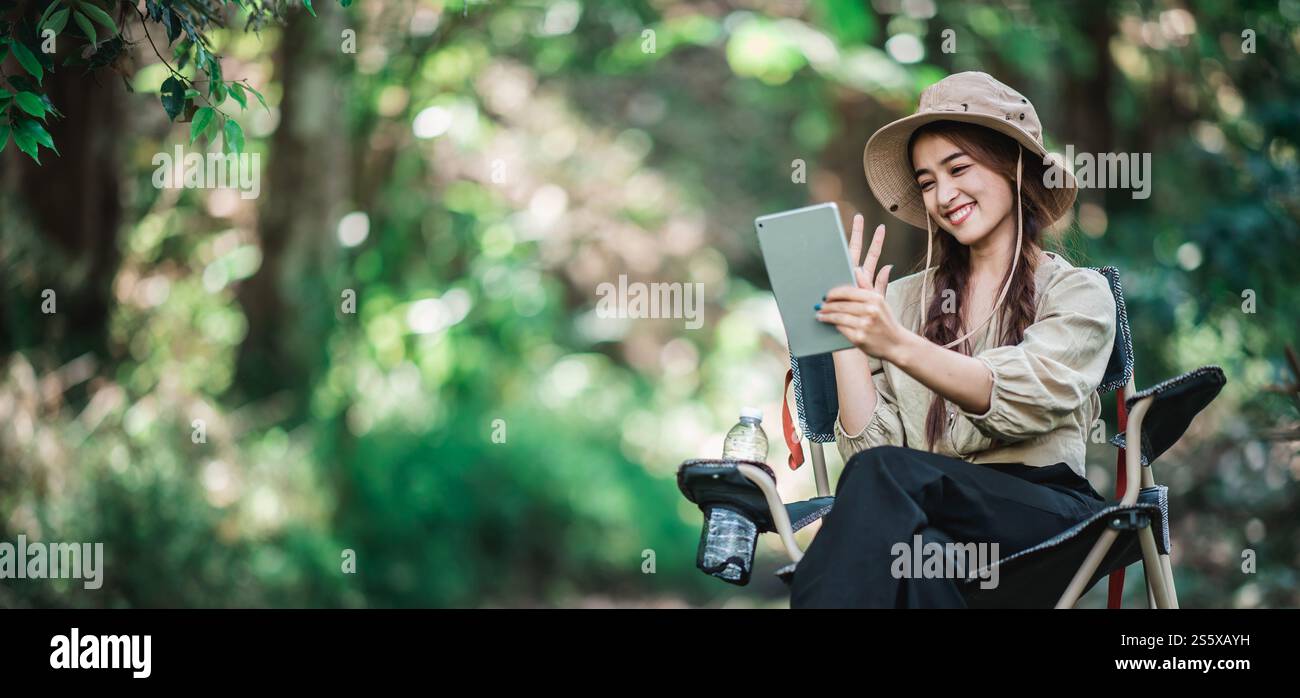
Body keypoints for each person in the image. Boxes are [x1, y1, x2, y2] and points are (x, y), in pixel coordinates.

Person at [789, 72, 1117, 608]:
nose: (943, 195)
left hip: (1046, 515)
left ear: (1013, 163)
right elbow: (872, 462)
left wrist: (895, 344)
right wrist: (847, 337)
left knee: (893, 492)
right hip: (933, 524)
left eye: (958, 168)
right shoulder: (898, 303)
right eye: (925, 181)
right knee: (919, 560)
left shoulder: (1078, 292)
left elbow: (1024, 398)